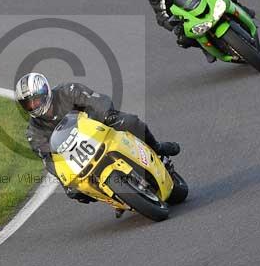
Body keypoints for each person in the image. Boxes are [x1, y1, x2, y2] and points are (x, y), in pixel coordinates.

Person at [15, 72, 180, 204]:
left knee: (130, 122)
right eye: (29, 104)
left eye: (36, 100)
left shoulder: (68, 90)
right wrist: (66, 184)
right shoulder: (33, 132)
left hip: (98, 130)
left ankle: (157, 147)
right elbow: (48, 159)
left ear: (45, 91)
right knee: (76, 192)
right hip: (78, 157)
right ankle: (114, 197)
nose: (34, 105)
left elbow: (96, 100)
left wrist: (106, 115)